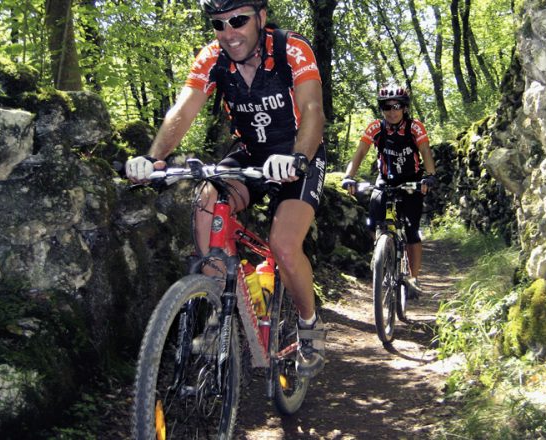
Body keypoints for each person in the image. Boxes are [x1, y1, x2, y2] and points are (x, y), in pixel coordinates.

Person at [125, 0, 326, 378]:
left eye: (238, 20)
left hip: (299, 154)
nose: (229, 33)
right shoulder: (211, 58)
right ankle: (220, 307)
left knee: (283, 244)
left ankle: (309, 324)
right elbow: (182, 111)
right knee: (206, 202)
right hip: (249, 154)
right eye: (219, 24)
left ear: (261, 18)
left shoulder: (292, 49)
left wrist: (298, 157)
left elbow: (313, 109)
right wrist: (153, 159)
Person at [341, 85, 436, 295]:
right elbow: (360, 153)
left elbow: (426, 151)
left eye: (397, 106)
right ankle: (383, 252)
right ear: (381, 108)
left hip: (412, 180)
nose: (392, 111)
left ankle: (413, 278)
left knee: (411, 231)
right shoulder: (376, 128)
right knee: (375, 218)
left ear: (404, 108)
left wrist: (429, 175)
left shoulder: (415, 127)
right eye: (387, 107)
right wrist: (349, 177)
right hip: (385, 179)